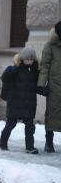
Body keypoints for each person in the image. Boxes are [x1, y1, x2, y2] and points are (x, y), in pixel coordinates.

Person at [0, 47, 40, 154]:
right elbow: (4, 78)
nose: (29, 61)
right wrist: (9, 71)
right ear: (22, 59)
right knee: (10, 124)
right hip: (15, 103)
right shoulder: (15, 70)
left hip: (29, 103)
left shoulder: (35, 70)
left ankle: (30, 147)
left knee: (30, 127)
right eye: (27, 59)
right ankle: (3, 144)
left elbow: (37, 86)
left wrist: (45, 91)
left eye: (31, 59)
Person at [37, 21, 61, 153]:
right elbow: (44, 66)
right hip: (54, 87)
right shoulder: (50, 46)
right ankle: (49, 142)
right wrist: (41, 85)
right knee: (51, 114)